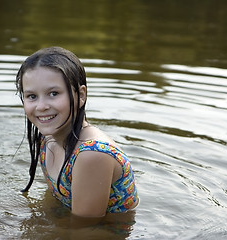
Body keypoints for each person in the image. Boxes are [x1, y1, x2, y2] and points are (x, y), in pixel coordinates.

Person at [16, 46, 139, 218]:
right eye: (32, 96)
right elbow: (54, 201)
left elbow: (84, 230)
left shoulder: (92, 155)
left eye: (53, 93)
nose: (41, 106)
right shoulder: (48, 139)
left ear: (81, 95)